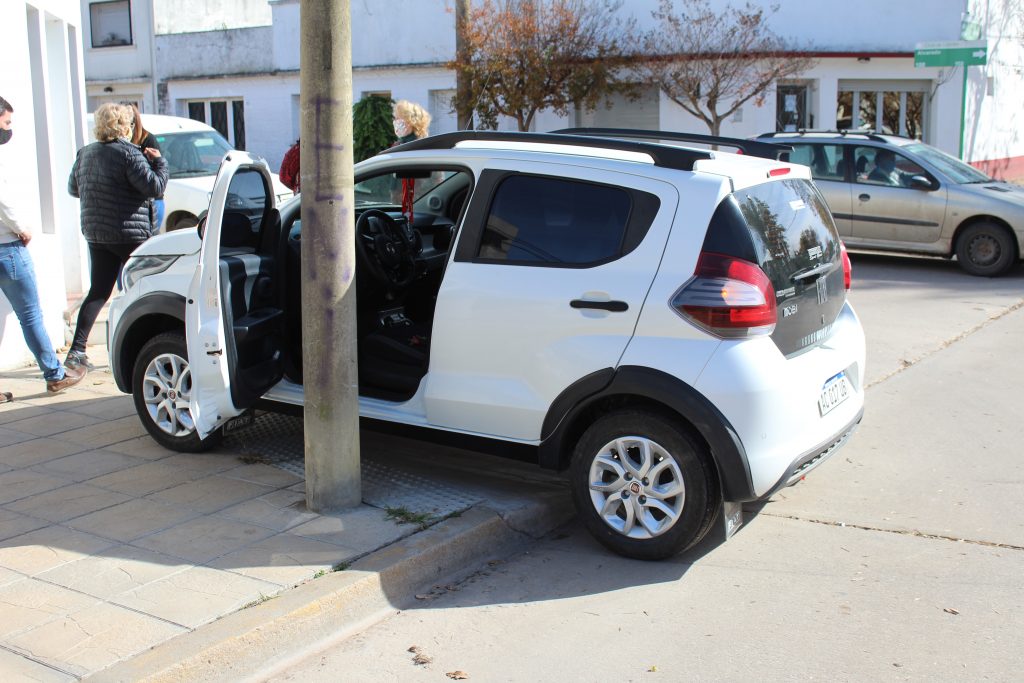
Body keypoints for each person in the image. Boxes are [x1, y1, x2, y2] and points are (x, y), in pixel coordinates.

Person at [65, 102, 168, 371]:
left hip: (97, 233)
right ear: (124, 125)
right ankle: (143, 345)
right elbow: (155, 187)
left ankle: (77, 351)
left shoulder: (85, 153)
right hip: (130, 234)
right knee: (144, 288)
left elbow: (73, 188)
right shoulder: (130, 154)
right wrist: (158, 161)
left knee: (99, 291)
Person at [0, 95, 86, 396]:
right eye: (7, 122)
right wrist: (21, 228)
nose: (9, 129)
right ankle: (54, 373)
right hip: (7, 247)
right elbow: (3, 201)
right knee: (30, 315)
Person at [126, 102, 165, 231]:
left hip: (152, 201)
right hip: (135, 203)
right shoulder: (123, 143)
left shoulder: (148, 140)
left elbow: (157, 174)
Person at [391, 101, 432, 220]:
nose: (395, 122)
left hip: (415, 205)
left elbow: (428, 181)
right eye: (395, 118)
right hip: (404, 205)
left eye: (398, 118)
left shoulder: (416, 146)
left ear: (410, 121)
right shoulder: (400, 145)